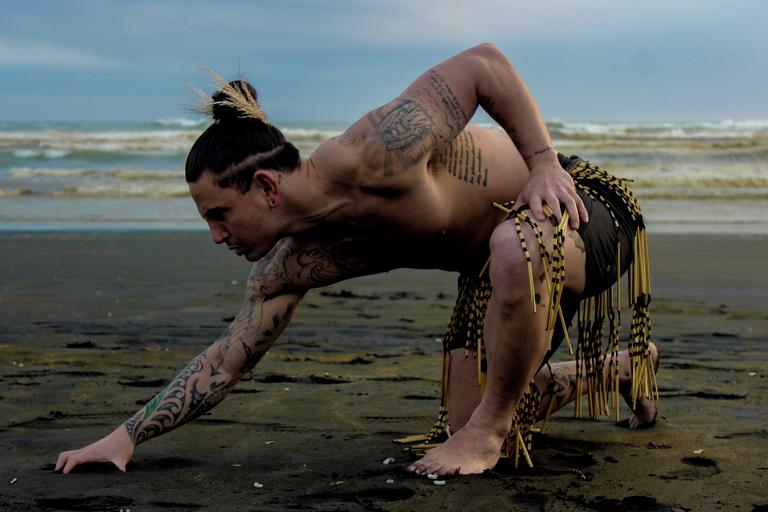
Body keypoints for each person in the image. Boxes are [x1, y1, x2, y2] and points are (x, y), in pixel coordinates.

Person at [55, 43, 658, 477]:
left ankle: (489, 434)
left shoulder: (374, 152)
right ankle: (619, 369)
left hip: (577, 207)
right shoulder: (286, 269)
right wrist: (127, 435)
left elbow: (483, 66)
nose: (216, 236)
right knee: (462, 412)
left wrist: (543, 163)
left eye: (219, 215)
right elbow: (224, 361)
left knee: (509, 251)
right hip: (493, 269)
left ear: (266, 187)